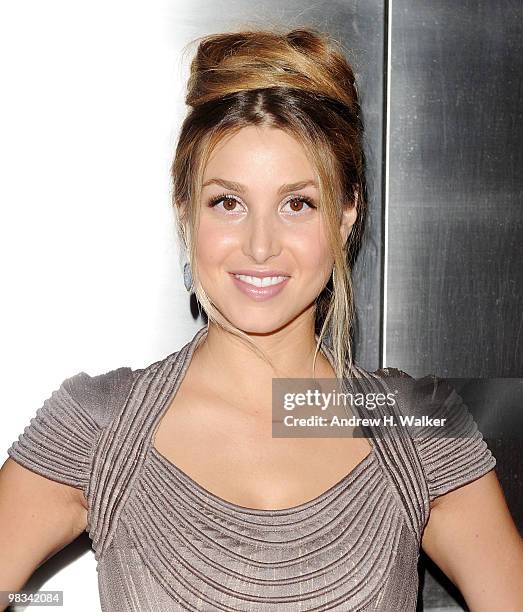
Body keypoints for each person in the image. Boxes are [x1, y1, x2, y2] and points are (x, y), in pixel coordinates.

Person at [1, 26, 522, 612]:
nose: (259, 246)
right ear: (186, 210)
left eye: (298, 204)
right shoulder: (101, 426)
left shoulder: (414, 426)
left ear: (347, 214)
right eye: (228, 202)